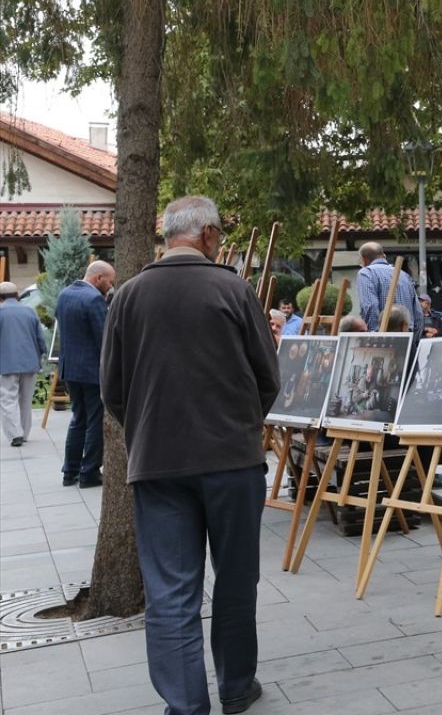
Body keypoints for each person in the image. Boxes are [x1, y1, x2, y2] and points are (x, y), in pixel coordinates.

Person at [101, 195, 279, 715]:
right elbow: (267, 377)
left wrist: (148, 428)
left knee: (171, 593)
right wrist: (240, 422)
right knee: (236, 579)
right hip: (232, 461)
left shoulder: (128, 296)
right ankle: (237, 686)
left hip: (158, 464)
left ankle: (186, 706)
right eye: (219, 235)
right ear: (206, 236)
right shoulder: (233, 289)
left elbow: (112, 388)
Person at [54, 261, 116, 486]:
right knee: (94, 420)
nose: (110, 286)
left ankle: (69, 471)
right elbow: (104, 339)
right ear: (98, 278)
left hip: (70, 369)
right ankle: (89, 471)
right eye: (109, 281)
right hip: (91, 371)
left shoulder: (64, 295)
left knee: (78, 419)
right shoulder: (94, 300)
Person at [0, 281, 45, 447]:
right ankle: (24, 433)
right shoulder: (29, 311)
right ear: (17, 295)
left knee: (7, 399)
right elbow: (40, 338)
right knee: (26, 399)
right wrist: (41, 354)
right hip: (30, 361)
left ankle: (15, 434)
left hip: (6, 362)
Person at [356, 242, 423, 334]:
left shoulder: (366, 273)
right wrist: (415, 339)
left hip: (385, 335)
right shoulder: (403, 275)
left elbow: (370, 306)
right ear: (384, 256)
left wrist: (374, 334)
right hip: (407, 335)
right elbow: (418, 311)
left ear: (363, 259)